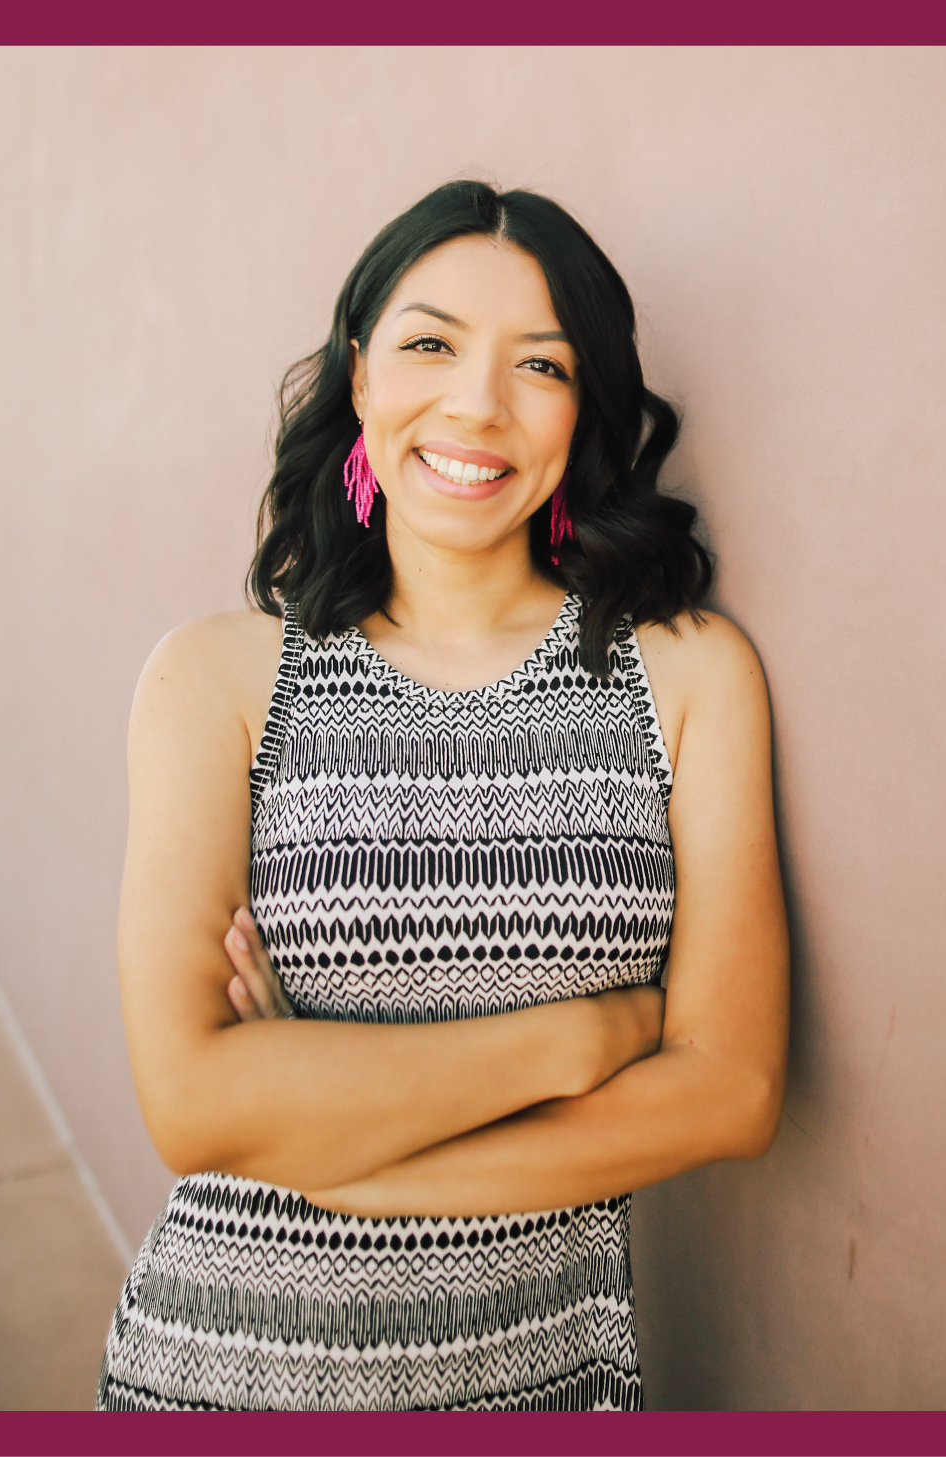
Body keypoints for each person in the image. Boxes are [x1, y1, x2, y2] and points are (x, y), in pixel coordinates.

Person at [97, 180, 789, 1411]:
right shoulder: (216, 679)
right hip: (221, 1368)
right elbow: (195, 1104)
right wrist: (579, 1039)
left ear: (583, 412)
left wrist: (339, 1145)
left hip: (546, 1383)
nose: (476, 402)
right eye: (429, 345)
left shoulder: (685, 673)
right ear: (359, 375)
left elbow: (730, 1092)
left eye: (541, 364)